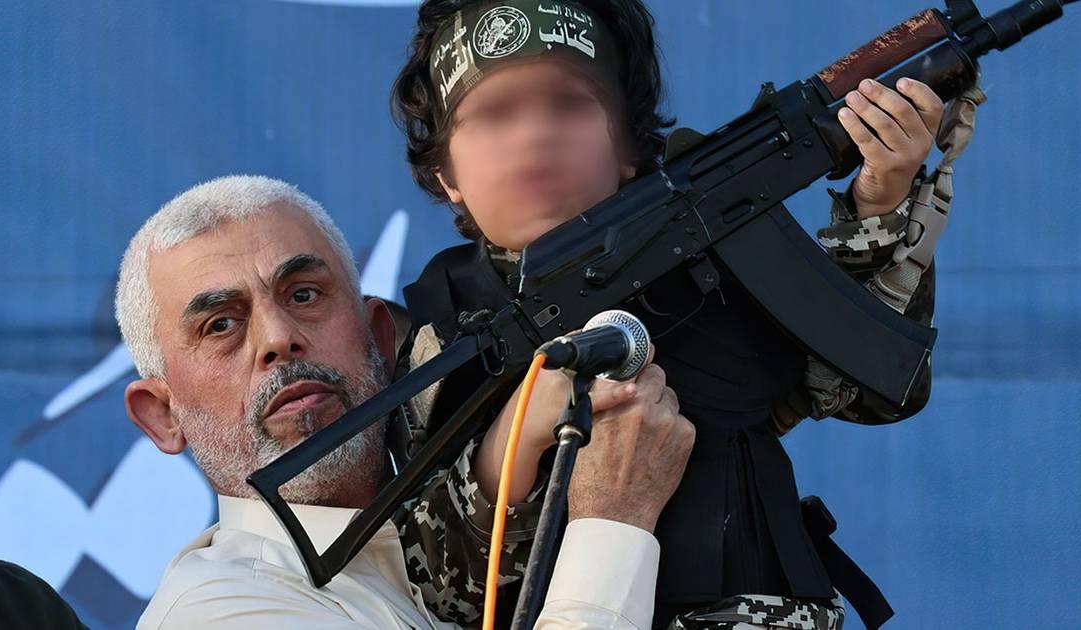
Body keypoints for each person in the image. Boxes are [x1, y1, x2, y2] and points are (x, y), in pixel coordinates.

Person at [390, 1, 955, 627]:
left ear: (628, 149)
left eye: (570, 105)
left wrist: (880, 204)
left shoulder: (711, 252)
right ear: (446, 174)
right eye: (494, 114)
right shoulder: (448, 329)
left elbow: (873, 389)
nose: (535, 136)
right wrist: (517, 437)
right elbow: (440, 593)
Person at [115, 175, 695, 629]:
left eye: (304, 294)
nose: (278, 337)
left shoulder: (448, 531)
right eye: (219, 324)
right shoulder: (214, 611)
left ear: (380, 337)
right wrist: (612, 519)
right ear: (161, 416)